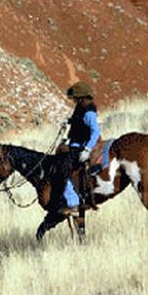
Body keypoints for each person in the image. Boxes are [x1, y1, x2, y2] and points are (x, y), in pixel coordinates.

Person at [59, 81, 101, 214]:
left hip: (82, 146)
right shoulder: (80, 107)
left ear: (81, 97)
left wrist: (87, 149)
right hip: (75, 143)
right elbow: (77, 121)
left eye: (75, 98)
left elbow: (95, 132)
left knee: (63, 170)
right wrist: (68, 121)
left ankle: (73, 203)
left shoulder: (89, 112)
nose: (73, 101)